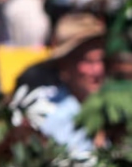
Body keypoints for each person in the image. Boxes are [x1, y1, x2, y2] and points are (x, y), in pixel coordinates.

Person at [34, 12, 108, 153]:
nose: (98, 70)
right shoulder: (51, 118)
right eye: (88, 61)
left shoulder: (117, 108)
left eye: (101, 60)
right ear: (64, 65)